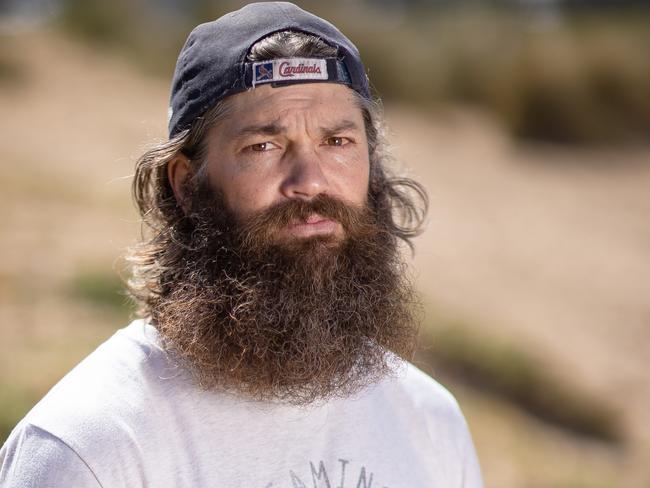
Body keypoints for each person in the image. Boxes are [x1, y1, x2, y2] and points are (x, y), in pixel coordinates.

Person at [0, 2, 483, 486]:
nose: (310, 182)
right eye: (263, 146)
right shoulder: (91, 448)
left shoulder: (430, 423)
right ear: (187, 185)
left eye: (337, 142)